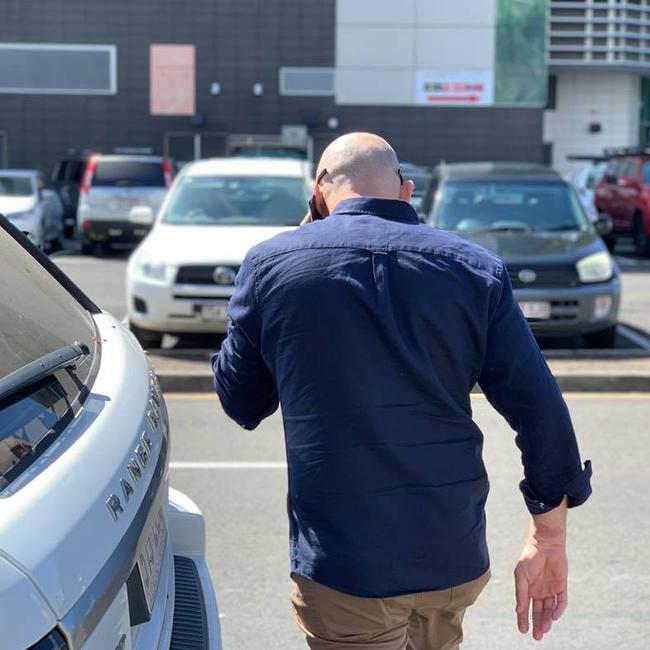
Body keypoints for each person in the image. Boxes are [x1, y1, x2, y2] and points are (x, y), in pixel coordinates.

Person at [212, 133, 592, 649]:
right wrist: (548, 537)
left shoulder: (273, 263)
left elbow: (243, 400)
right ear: (406, 191)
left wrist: (293, 251)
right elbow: (538, 405)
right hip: (451, 556)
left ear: (318, 190)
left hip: (347, 565)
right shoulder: (474, 268)